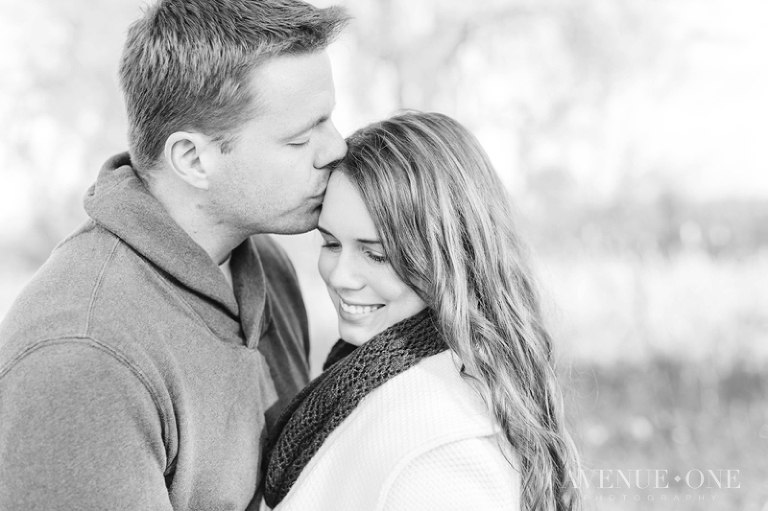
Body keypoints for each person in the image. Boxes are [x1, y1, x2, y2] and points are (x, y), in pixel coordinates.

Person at [0, 1, 349, 509]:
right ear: (192, 158)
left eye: (329, 120)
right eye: (300, 139)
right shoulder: (84, 356)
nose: (336, 148)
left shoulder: (268, 263)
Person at [262, 111, 582, 511]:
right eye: (330, 244)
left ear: (450, 258)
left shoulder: (441, 454)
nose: (341, 276)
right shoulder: (367, 376)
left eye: (376, 255)